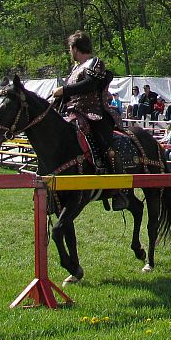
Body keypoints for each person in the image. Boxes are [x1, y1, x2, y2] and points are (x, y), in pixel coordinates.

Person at [51, 31, 128, 210]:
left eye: (71, 49)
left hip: (95, 113)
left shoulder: (95, 63)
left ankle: (119, 190)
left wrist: (64, 90)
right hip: (75, 113)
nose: (70, 52)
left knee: (106, 147)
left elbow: (89, 85)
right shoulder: (75, 69)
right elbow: (71, 93)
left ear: (76, 48)